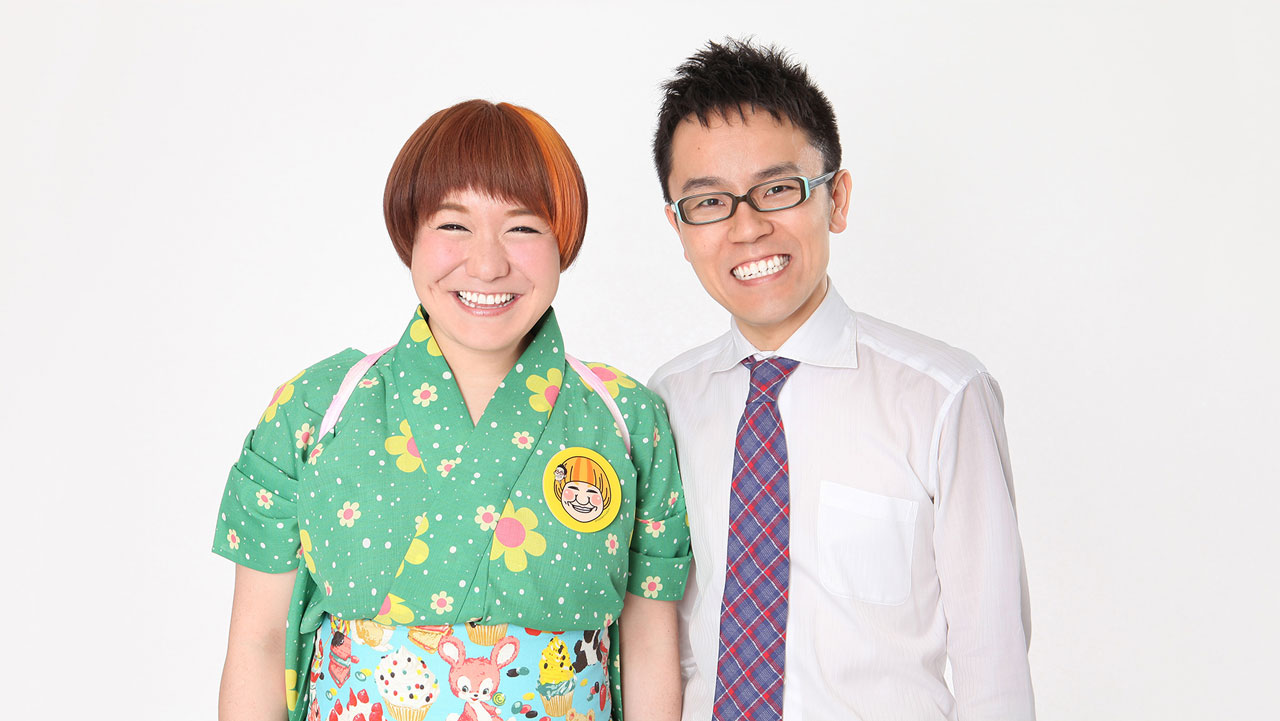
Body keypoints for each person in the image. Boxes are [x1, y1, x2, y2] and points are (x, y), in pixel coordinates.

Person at [213, 100, 690, 721]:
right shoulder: (315, 409)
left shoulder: (626, 419)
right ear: (408, 235)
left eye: (523, 228)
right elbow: (258, 641)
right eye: (453, 225)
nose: (487, 265)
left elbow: (650, 643)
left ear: (563, 241)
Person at [648, 40, 1035, 720]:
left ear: (838, 199)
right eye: (709, 202)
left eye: (777, 190)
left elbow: (992, 665)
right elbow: (668, 646)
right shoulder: (665, 403)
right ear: (679, 228)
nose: (747, 227)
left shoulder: (942, 397)